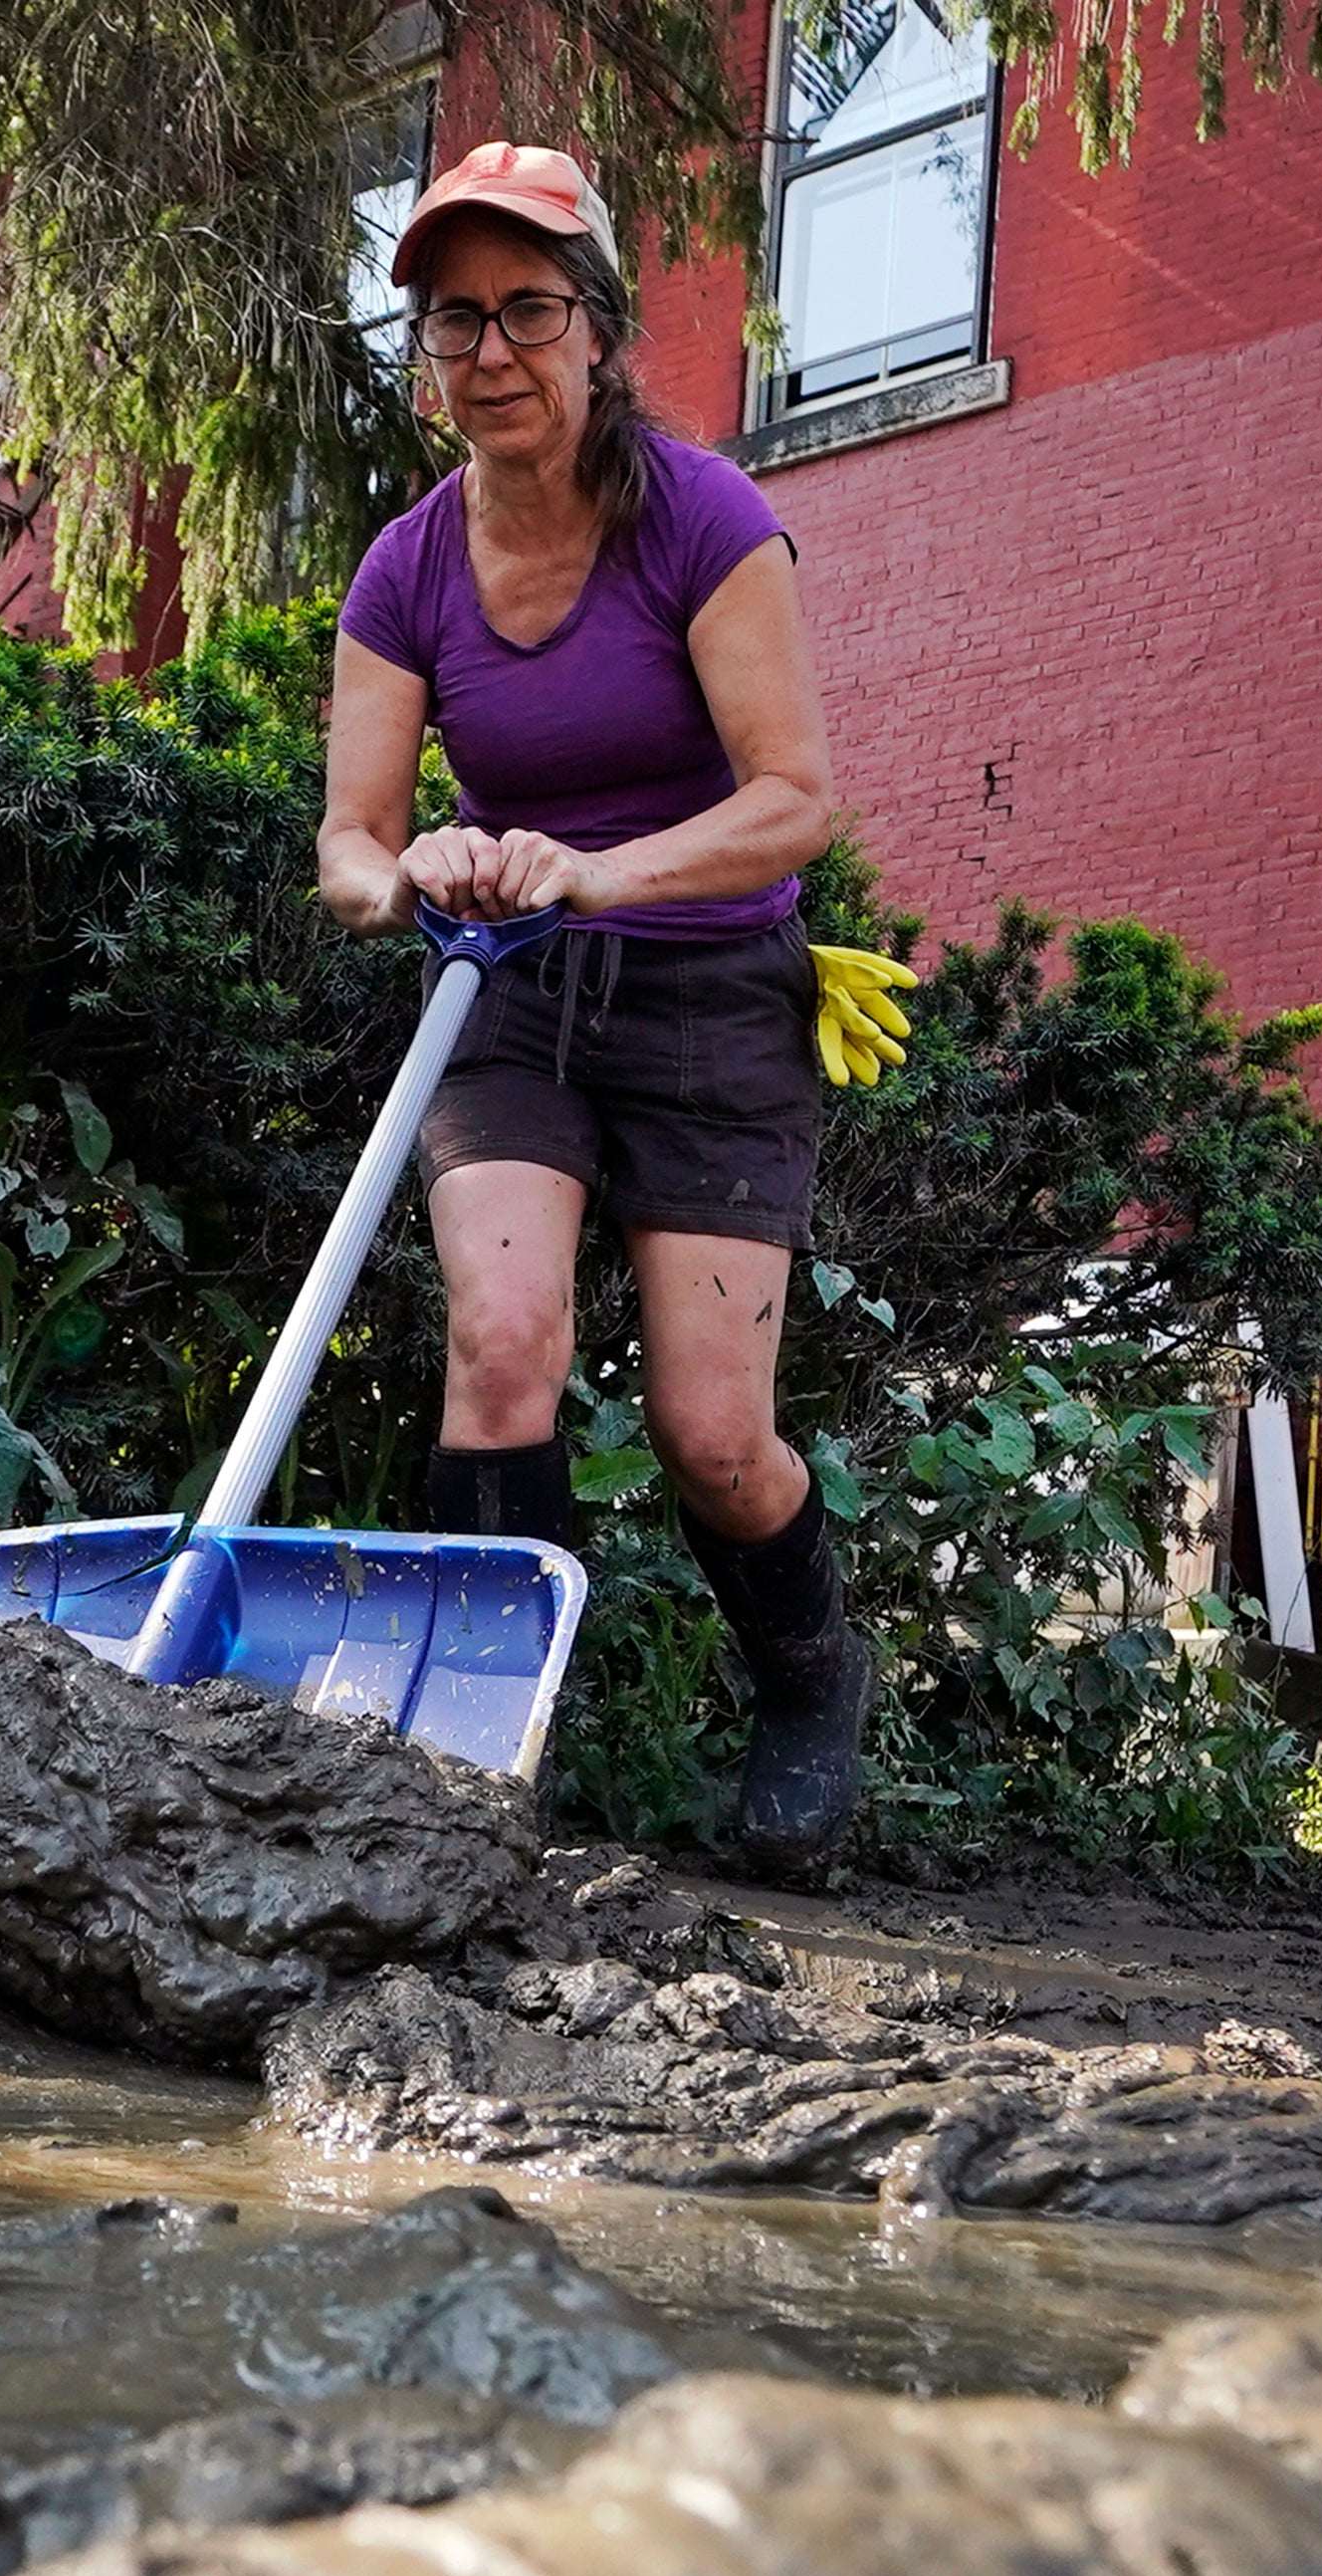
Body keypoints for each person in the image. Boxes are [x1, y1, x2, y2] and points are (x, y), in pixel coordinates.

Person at [315, 141, 878, 1877]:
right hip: (508, 995)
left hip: (714, 988)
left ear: (601, 327)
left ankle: (810, 1686)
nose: (490, 354)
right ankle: (479, 1784)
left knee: (716, 1437)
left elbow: (795, 800)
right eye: (453, 320)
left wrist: (594, 871)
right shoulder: (406, 570)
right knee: (501, 1354)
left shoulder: (702, 517)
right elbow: (348, 838)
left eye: (529, 312)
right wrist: (417, 876)